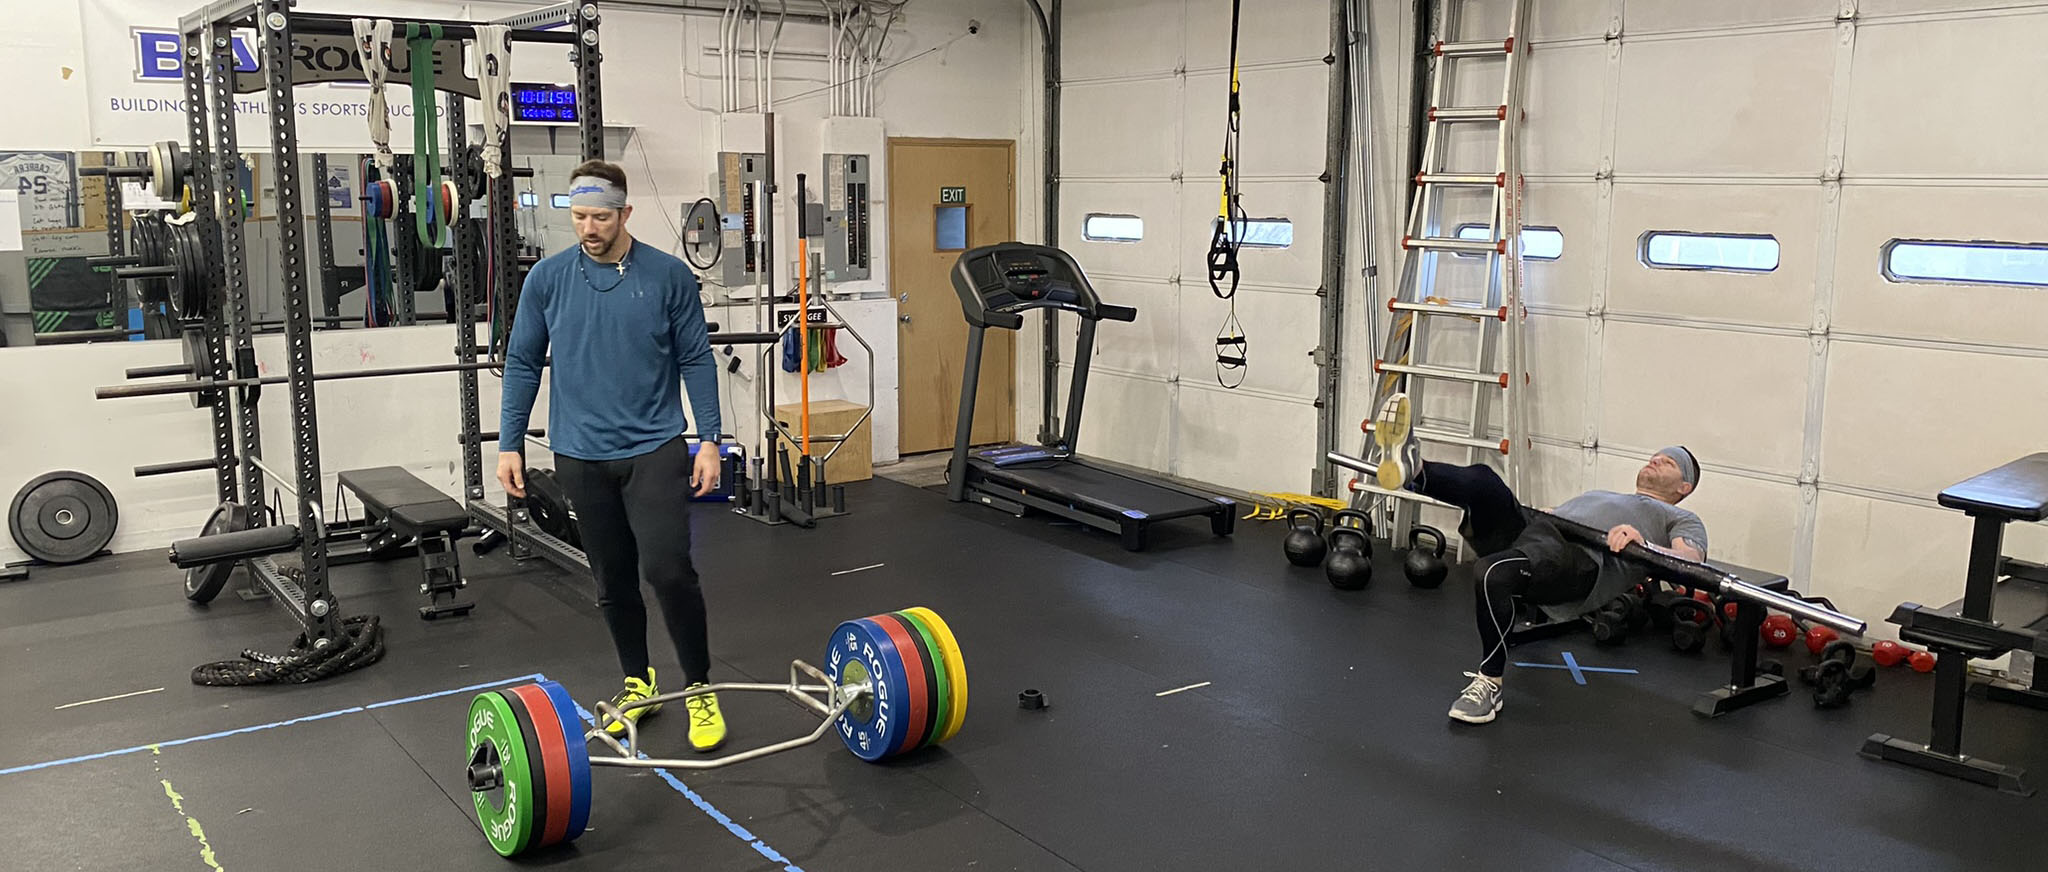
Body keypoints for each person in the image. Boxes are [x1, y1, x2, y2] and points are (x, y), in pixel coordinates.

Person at [498, 160, 730, 752]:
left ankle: (699, 686)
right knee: (611, 578)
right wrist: (509, 442)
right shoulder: (547, 280)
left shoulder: (668, 276)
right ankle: (637, 683)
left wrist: (709, 438)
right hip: (579, 455)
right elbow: (523, 362)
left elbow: (697, 359)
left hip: (654, 447)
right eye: (578, 217)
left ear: (626, 213)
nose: (589, 228)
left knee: (668, 569)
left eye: (600, 216)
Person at [1370, 392, 1708, 725]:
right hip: (1542, 533)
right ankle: (1416, 471)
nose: (1654, 460)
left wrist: (1644, 543)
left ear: (1685, 487)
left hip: (1581, 561)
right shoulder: (1605, 494)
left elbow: (1690, 562)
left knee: (1493, 572)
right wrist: (1552, 513)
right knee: (1485, 481)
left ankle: (1489, 684)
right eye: (1654, 456)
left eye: (1668, 462)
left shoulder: (1678, 517)